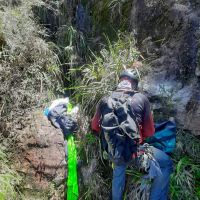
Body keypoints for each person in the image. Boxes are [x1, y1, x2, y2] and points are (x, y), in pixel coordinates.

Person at [91, 69, 173, 200]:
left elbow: (95, 126)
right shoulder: (141, 99)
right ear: (134, 84)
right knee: (167, 163)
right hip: (135, 154)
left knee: (119, 167)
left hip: (113, 151)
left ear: (119, 82)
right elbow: (150, 132)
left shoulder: (105, 100)